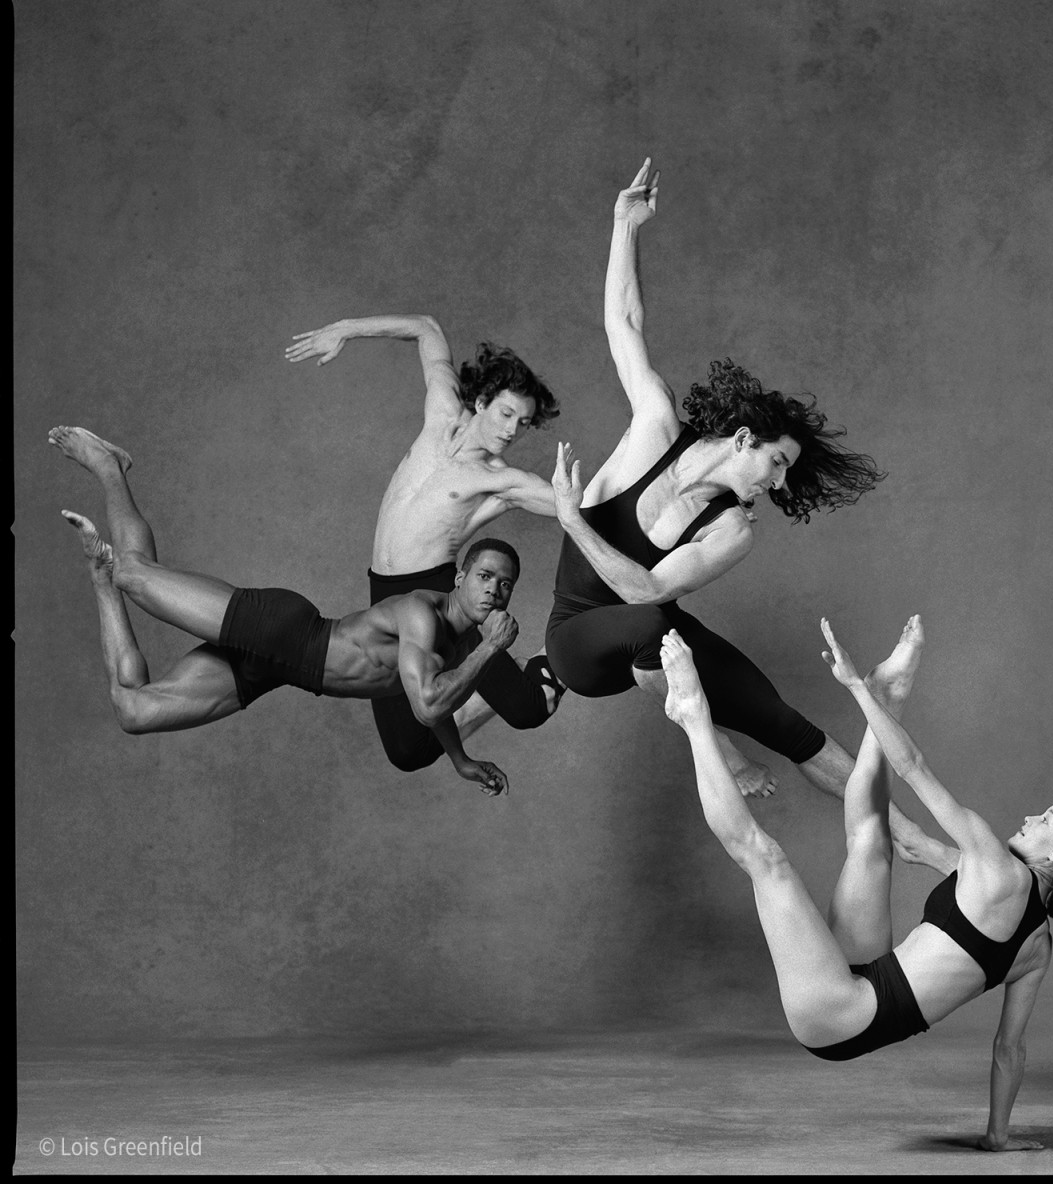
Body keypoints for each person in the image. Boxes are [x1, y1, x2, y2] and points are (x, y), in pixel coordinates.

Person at [658, 618, 1053, 1150]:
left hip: (835, 1014)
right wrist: (997, 1137)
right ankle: (891, 693)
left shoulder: (998, 866)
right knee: (873, 837)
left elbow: (914, 765)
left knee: (767, 860)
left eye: (1045, 821)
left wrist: (856, 688)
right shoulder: (1037, 947)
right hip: (865, 985)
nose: (1031, 818)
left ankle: (693, 716)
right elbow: (1008, 1049)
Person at [545, 156, 889, 815]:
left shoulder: (732, 528)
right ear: (743, 438)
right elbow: (624, 324)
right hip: (578, 642)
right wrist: (626, 226)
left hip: (653, 627)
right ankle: (714, 745)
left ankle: (926, 846)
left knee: (781, 719)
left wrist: (571, 521)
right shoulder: (654, 425)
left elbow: (646, 588)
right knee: (651, 626)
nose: (779, 484)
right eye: (778, 463)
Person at [49, 424, 528, 795]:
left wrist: (461, 760)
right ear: (461, 577)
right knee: (134, 573)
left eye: (505, 585)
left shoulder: (462, 639)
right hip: (283, 632)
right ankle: (110, 466)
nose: (494, 591)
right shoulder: (422, 614)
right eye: (485, 577)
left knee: (133, 711)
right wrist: (488, 650)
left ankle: (98, 574)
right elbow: (426, 704)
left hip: (286, 671)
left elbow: (435, 687)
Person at [284, 315, 566, 770]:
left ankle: (563, 644)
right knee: (407, 751)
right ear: (480, 402)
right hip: (385, 593)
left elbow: (573, 506)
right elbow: (427, 328)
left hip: (440, 597)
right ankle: (488, 675)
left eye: (524, 423)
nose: (513, 430)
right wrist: (345, 329)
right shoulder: (441, 414)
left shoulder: (500, 480)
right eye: (507, 414)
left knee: (531, 707)